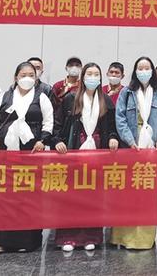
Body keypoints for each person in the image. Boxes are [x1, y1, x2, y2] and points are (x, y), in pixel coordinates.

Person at [0, 61, 54, 253]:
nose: (27, 78)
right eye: (23, 75)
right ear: (16, 77)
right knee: (3, 195)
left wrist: (43, 140)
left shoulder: (42, 97)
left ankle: (25, 241)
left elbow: (49, 123)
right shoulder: (5, 96)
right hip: (6, 152)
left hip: (31, 152)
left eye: (31, 75)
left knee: (27, 196)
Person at [52, 63, 119, 251]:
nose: (93, 77)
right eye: (89, 73)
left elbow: (112, 128)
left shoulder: (106, 100)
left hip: (97, 152)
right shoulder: (71, 98)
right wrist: (57, 141)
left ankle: (91, 237)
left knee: (93, 196)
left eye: (96, 74)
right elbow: (58, 125)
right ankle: (68, 237)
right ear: (83, 77)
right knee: (70, 196)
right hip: (73, 151)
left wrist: (113, 138)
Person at [111, 56, 157, 249]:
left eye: (147, 68)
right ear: (135, 71)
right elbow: (120, 118)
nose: (143, 71)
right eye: (140, 68)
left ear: (152, 71)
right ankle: (123, 238)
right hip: (130, 149)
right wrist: (130, 141)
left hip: (151, 149)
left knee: (148, 193)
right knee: (127, 194)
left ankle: (144, 239)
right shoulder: (127, 93)